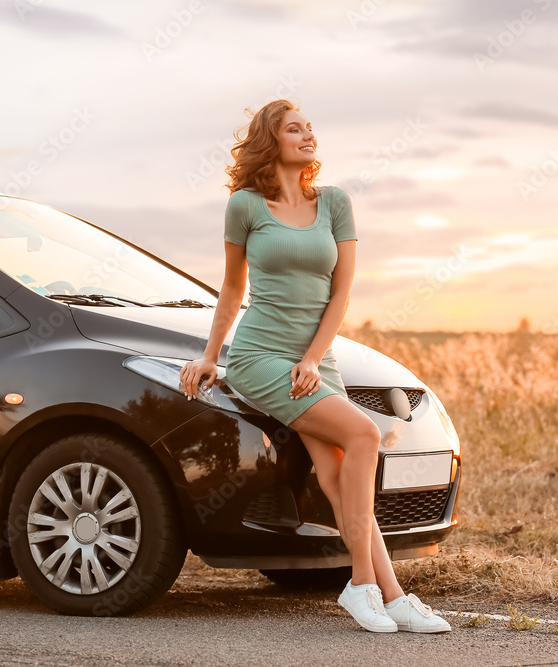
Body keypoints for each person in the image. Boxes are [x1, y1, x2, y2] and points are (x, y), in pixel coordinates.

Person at [179, 99, 450, 634]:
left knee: (336, 474)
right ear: (270, 140)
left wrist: (311, 359)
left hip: (316, 360)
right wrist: (211, 356)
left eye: (310, 128)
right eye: (294, 129)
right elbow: (234, 288)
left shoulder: (334, 203)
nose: (308, 136)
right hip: (261, 357)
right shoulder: (245, 206)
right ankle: (364, 585)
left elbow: (341, 292)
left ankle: (391, 595)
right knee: (366, 434)